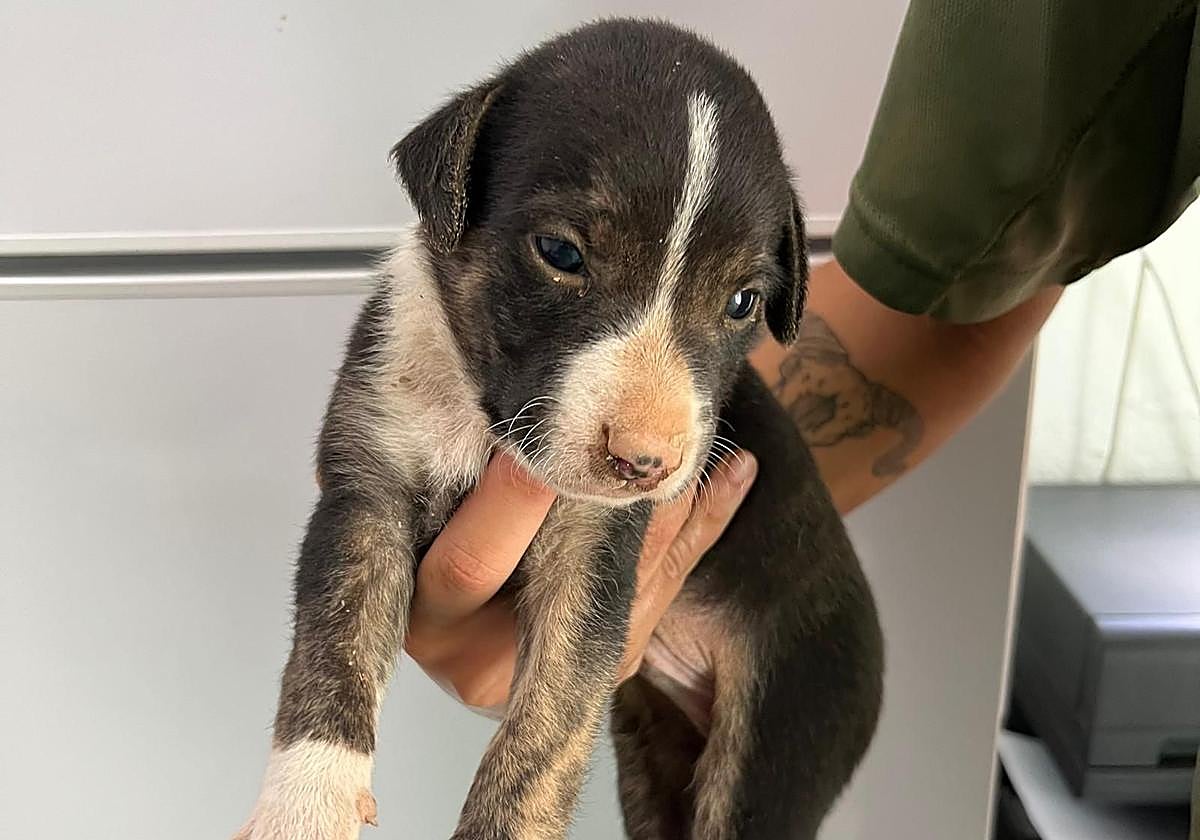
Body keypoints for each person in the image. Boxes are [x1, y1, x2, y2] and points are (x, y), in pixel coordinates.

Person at [401, 0, 1200, 833]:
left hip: (806, 650)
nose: (649, 436)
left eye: (742, 299)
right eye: (565, 253)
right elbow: (964, 280)